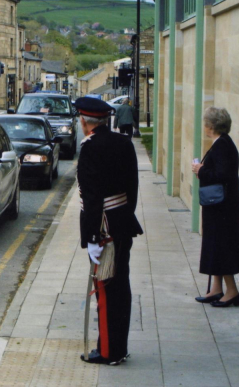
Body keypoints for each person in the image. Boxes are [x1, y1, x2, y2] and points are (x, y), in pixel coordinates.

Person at [75, 97, 143, 366]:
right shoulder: (124, 143)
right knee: (121, 286)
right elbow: (133, 189)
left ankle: (107, 352)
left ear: (84, 122)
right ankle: (119, 347)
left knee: (104, 289)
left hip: (103, 228)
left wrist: (93, 236)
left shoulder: (90, 148)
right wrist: (124, 215)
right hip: (123, 222)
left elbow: (92, 197)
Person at [191, 107, 239, 307]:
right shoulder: (220, 143)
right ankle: (216, 288)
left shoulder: (223, 145)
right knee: (214, 245)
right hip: (217, 206)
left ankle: (232, 291)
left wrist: (201, 170)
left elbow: (225, 175)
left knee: (223, 247)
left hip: (223, 208)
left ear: (211, 125)